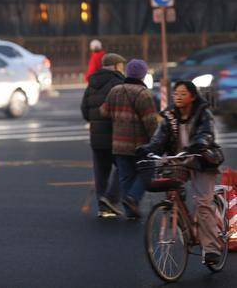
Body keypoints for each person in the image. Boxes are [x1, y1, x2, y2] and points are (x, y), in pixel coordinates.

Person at [137, 80, 222, 265]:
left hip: (201, 159)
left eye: (183, 94)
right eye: (176, 94)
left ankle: (211, 249)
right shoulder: (170, 116)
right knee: (172, 193)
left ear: (192, 97)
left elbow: (206, 133)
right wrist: (148, 149)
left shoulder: (203, 113)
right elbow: (159, 139)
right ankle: (184, 221)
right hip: (179, 160)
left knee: (203, 204)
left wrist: (199, 144)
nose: (178, 97)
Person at [100, 59, 158, 219]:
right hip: (139, 144)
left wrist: (118, 116)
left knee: (126, 176)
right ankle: (132, 199)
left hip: (118, 143)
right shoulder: (143, 94)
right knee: (148, 172)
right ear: (143, 75)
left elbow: (103, 112)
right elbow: (150, 122)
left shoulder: (115, 90)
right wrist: (157, 142)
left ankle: (130, 211)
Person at [81, 53, 126, 218]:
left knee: (101, 172)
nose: (123, 68)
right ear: (115, 66)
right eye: (121, 65)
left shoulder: (92, 83)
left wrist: (94, 120)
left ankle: (102, 205)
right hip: (115, 135)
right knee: (123, 167)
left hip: (96, 136)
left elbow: (84, 109)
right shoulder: (119, 83)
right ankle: (111, 199)